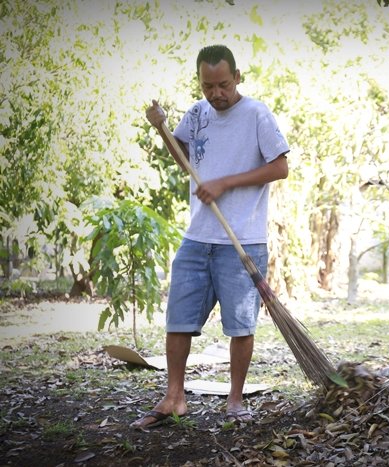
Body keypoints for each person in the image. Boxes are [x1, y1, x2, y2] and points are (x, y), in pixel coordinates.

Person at [131, 44, 289, 429]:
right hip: (198, 236)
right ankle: (174, 398)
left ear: (237, 77)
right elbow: (183, 156)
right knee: (178, 318)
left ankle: (235, 401)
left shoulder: (256, 114)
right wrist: (161, 127)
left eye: (223, 84)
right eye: (208, 86)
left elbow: (281, 167)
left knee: (240, 325)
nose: (216, 93)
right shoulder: (197, 113)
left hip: (242, 238)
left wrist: (225, 183)